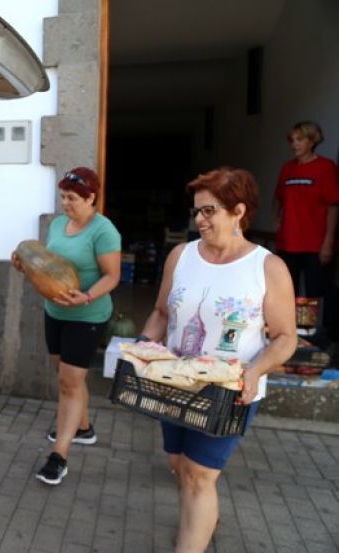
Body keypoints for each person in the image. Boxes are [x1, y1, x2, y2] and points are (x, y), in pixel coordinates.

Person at [139, 167, 297, 553]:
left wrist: (255, 370)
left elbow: (285, 337)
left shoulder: (267, 267)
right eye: (196, 211)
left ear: (238, 211)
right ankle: (206, 514)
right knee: (178, 464)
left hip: (230, 393)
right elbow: (161, 312)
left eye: (209, 211)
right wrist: (142, 348)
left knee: (198, 475)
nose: (199, 220)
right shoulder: (181, 255)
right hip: (177, 382)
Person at [12, 167, 121, 485]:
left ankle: (59, 454)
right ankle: (83, 428)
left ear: (91, 198)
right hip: (55, 312)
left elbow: (112, 276)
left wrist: (86, 297)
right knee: (67, 379)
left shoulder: (104, 231)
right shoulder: (59, 224)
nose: (65, 204)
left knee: (69, 384)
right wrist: (24, 265)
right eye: (62, 197)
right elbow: (46, 265)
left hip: (87, 315)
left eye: (72, 198)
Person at [273, 121, 339, 303]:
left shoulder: (326, 167)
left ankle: (311, 331)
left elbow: (333, 206)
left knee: (314, 295)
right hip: (288, 244)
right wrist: (277, 220)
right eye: (292, 140)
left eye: (299, 139)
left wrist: (328, 242)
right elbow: (278, 197)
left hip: (315, 245)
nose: (294, 144)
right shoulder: (287, 168)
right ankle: (289, 330)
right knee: (286, 292)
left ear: (312, 140)